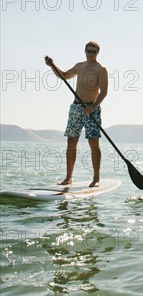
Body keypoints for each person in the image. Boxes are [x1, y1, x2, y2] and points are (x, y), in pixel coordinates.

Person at [45, 41, 108, 187]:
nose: (91, 54)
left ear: (98, 53)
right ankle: (68, 178)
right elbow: (65, 76)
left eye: (94, 52)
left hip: (92, 108)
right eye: (89, 51)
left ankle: (96, 179)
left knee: (93, 142)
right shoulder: (80, 66)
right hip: (76, 108)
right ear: (85, 51)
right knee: (71, 141)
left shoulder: (101, 69)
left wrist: (93, 107)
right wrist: (52, 66)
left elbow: (104, 92)